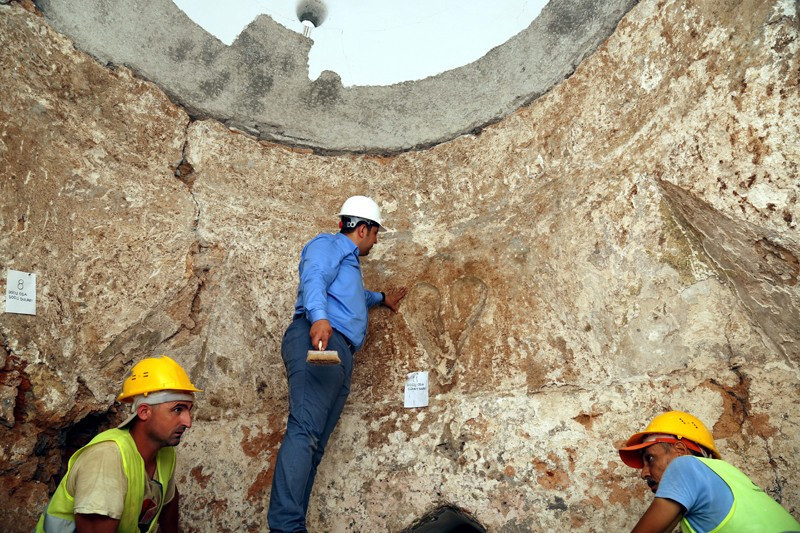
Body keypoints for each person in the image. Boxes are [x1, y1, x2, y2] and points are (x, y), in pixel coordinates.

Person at [267, 195, 408, 532]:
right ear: (362, 229)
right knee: (305, 432)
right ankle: (285, 526)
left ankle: (294, 523)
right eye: (376, 233)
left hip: (340, 351)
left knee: (314, 446)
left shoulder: (347, 262)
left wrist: (382, 299)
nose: (376, 241)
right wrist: (318, 317)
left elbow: (353, 296)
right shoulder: (327, 245)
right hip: (319, 339)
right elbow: (314, 276)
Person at [36, 355, 202, 533]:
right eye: (177, 409)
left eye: (188, 410)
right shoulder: (106, 457)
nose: (188, 422)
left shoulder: (165, 453)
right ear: (144, 412)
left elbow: (169, 502)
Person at [619, 410, 800, 533]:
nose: (644, 473)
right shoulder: (728, 475)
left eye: (650, 458)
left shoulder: (684, 465)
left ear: (680, 451)